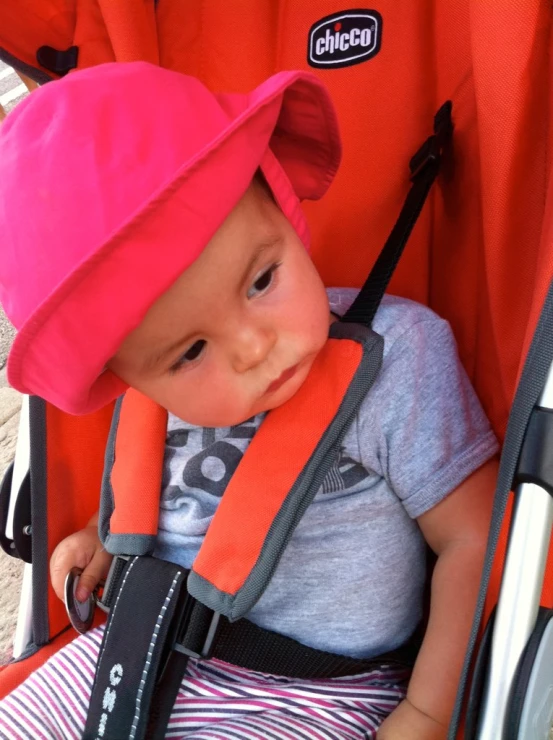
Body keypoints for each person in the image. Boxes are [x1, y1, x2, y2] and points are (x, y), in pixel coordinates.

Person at [0, 61, 498, 740]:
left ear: (283, 206)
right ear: (129, 375)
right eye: (192, 351)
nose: (251, 347)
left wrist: (430, 711)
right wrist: (99, 534)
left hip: (314, 692)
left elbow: (475, 539)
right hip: (131, 651)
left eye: (262, 279)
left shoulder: (398, 359)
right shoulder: (156, 384)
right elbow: (161, 489)